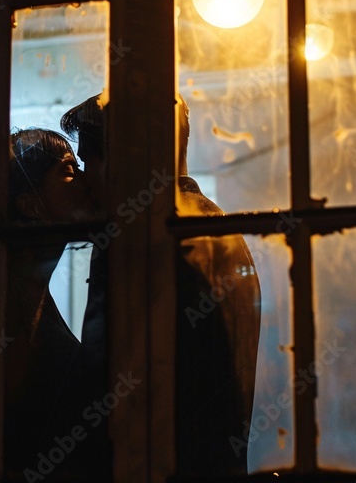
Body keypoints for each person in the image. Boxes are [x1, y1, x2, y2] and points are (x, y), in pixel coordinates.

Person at [61, 94, 261, 475]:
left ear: (125, 157)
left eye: (90, 161)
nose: (84, 180)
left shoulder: (136, 235)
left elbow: (104, 389)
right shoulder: (213, 225)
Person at [0, 128, 110, 481]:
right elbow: (5, 434)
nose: (85, 179)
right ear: (30, 204)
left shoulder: (27, 287)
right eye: (69, 170)